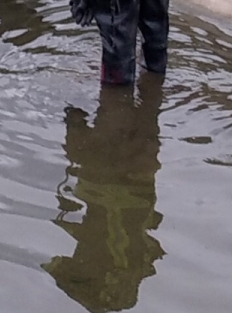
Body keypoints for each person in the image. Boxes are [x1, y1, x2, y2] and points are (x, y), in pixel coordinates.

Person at [41, 77, 166, 312]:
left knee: (120, 91)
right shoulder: (126, 283)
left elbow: (55, 265)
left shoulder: (122, 281)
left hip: (123, 188)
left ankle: (121, 91)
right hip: (126, 187)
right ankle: (140, 85)